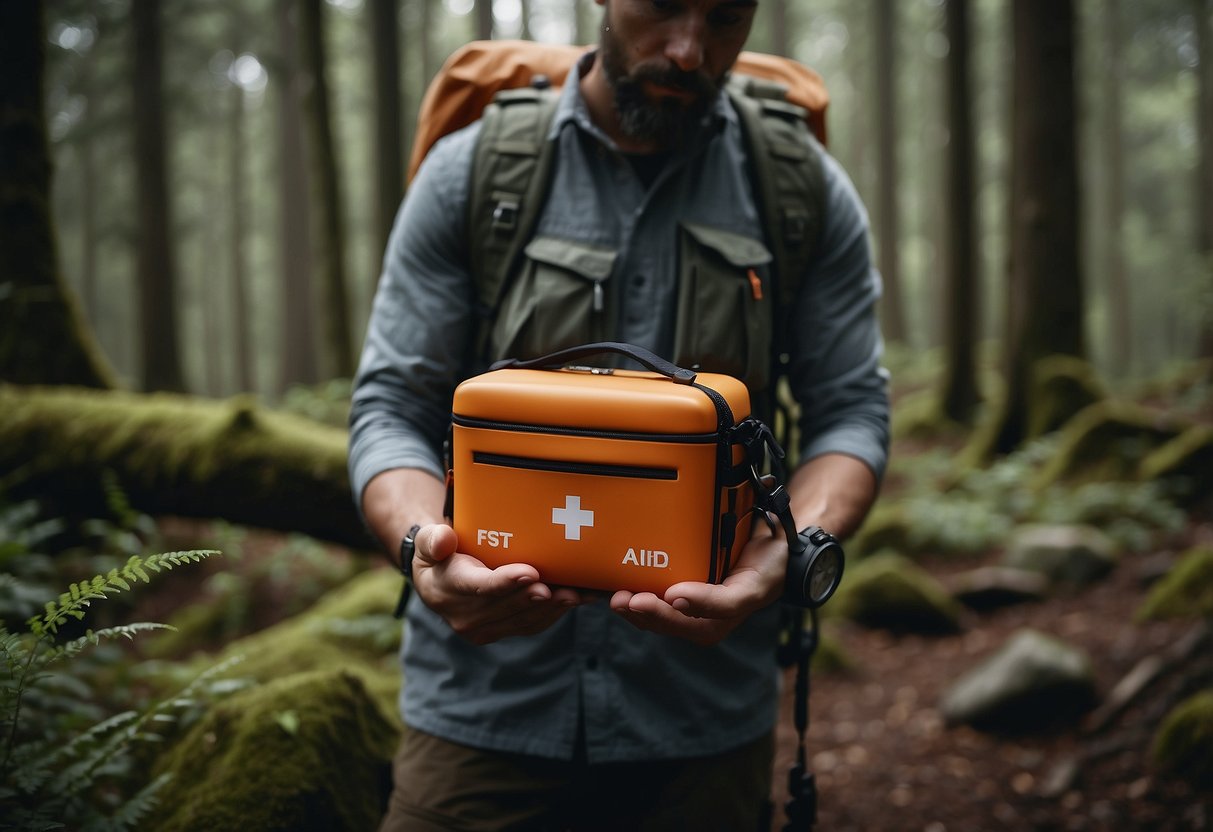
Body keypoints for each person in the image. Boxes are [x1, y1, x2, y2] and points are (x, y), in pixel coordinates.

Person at [348, 0, 889, 828]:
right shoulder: (473, 172)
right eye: (664, 5)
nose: (688, 49)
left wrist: (787, 551)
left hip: (703, 720)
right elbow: (391, 405)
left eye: (723, 17)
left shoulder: (797, 189)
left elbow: (850, 409)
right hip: (484, 712)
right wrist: (427, 549)